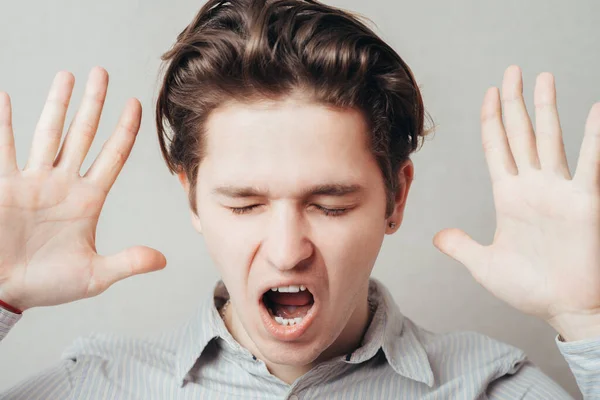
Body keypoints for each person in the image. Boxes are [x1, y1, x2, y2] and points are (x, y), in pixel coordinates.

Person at [0, 0, 598, 398]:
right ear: (192, 201)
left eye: (331, 204)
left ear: (396, 199)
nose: (287, 253)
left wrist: (588, 321)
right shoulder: (95, 386)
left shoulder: (491, 388)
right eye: (244, 204)